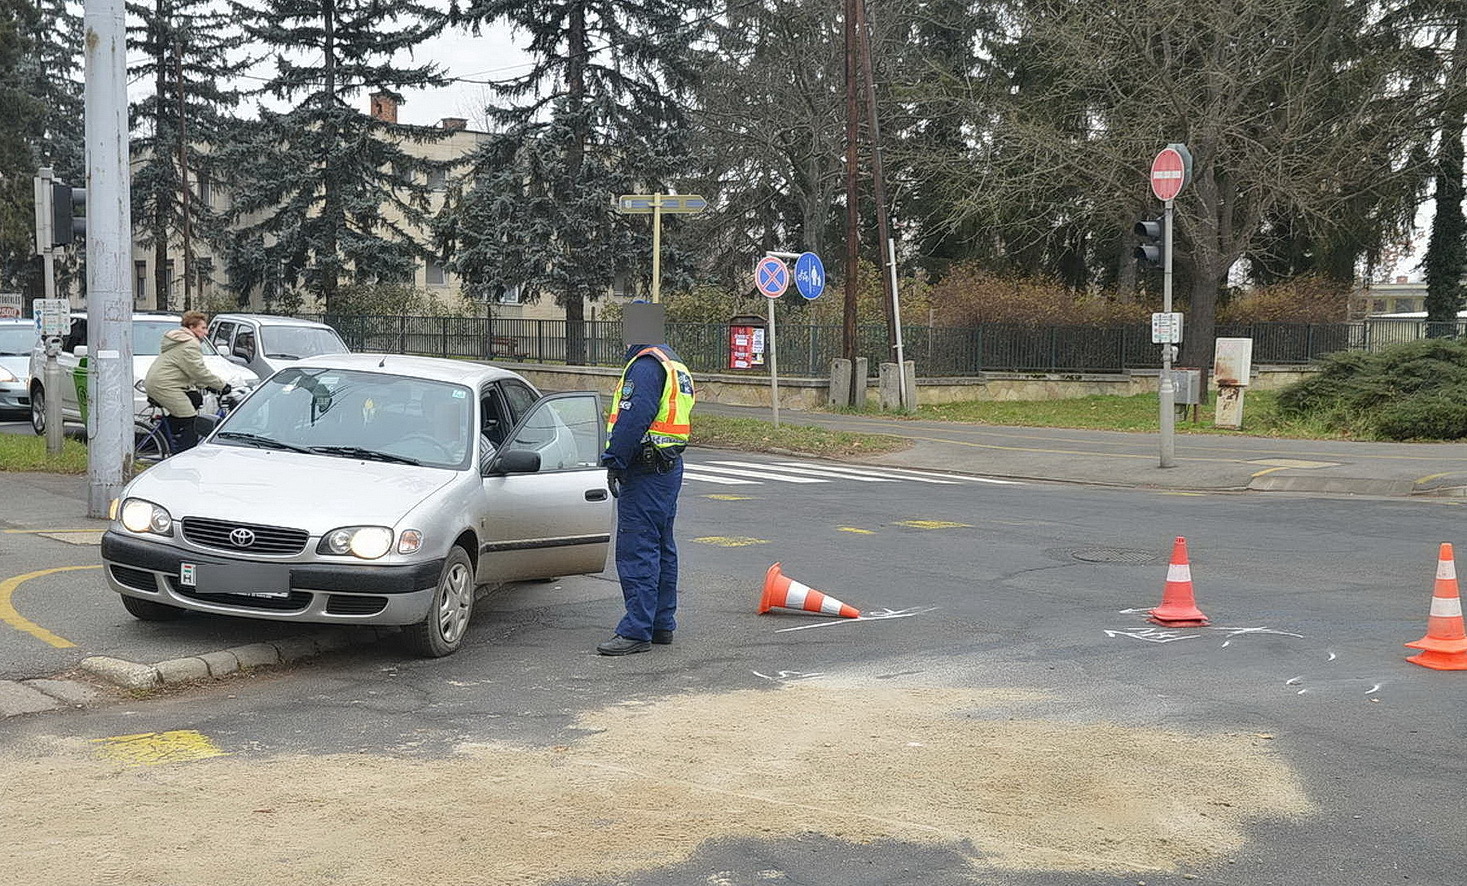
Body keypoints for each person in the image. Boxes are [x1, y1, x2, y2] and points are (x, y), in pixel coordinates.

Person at [597, 342, 696, 656]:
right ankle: (660, 624)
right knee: (661, 547)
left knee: (638, 548)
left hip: (644, 469)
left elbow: (633, 417)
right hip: (667, 467)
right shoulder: (672, 361)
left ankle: (636, 630)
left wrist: (615, 460)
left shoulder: (644, 365)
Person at [143, 311, 229, 453]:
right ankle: (184, 453)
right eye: (203, 328)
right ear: (191, 327)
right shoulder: (190, 343)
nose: (206, 332)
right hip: (165, 386)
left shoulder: (181, 340)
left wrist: (207, 386)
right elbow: (198, 371)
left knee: (195, 398)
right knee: (190, 420)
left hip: (162, 383)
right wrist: (222, 385)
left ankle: (160, 438)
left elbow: (188, 370)